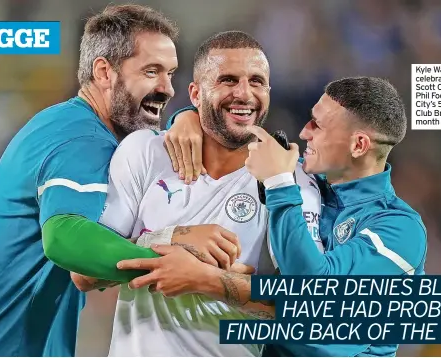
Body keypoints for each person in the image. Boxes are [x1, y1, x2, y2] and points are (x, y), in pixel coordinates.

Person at [0, 5, 203, 356]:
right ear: (104, 72)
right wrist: (171, 262)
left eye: (170, 73)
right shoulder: (81, 138)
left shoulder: (78, 129)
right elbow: (64, 237)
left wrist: (186, 116)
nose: (168, 88)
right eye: (152, 71)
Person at [120, 77, 427, 357]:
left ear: (358, 145)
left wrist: (206, 279)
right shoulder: (309, 182)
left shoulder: (398, 230)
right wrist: (187, 118)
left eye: (318, 126)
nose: (304, 131)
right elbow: (233, 141)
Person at [76, 31, 322, 357]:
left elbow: (309, 306)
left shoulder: (289, 180)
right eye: (228, 80)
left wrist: (205, 279)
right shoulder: (144, 152)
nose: (244, 93)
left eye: (257, 81)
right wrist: (173, 239)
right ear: (196, 93)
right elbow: (84, 272)